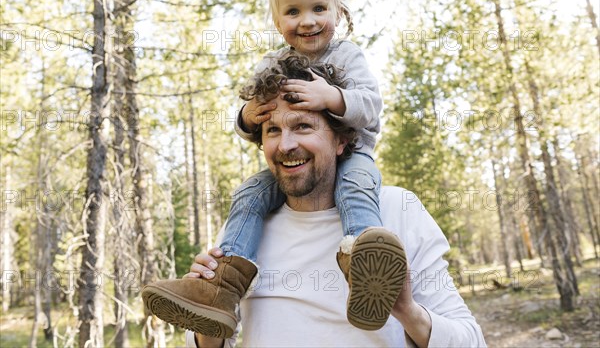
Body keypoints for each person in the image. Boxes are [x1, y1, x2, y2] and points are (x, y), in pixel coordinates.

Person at [142, 0, 406, 337]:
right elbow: (253, 118)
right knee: (250, 191)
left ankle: (365, 263)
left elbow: (371, 106)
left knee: (356, 186)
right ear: (278, 20)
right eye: (293, 11)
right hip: (305, 165)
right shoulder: (273, 62)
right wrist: (249, 114)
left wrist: (331, 97)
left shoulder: (348, 57)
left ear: (339, 10)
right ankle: (222, 286)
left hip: (353, 156)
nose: (308, 20)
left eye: (319, 8)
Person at [182, 59, 487, 347]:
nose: (286, 145)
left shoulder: (397, 209)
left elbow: (472, 341)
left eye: (303, 126)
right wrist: (206, 313)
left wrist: (407, 310)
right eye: (273, 130)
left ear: (341, 140)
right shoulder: (246, 226)